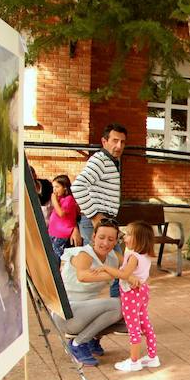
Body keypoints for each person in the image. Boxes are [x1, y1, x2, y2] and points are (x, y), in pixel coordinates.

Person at [58, 219, 137, 366]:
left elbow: (133, 265)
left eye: (111, 239)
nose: (105, 243)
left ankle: (91, 339)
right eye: (101, 237)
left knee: (132, 309)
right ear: (93, 237)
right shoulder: (84, 254)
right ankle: (78, 344)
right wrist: (118, 274)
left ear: (115, 242)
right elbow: (83, 276)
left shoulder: (114, 257)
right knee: (118, 305)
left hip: (85, 312)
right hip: (67, 312)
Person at [71, 122, 126, 296]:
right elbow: (78, 186)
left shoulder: (110, 161)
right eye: (114, 140)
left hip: (106, 223)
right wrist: (95, 216)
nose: (118, 146)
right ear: (104, 141)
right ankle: (118, 308)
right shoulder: (101, 160)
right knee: (115, 264)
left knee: (115, 264)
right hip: (97, 223)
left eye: (122, 142)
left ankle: (118, 307)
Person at [99, 221, 160, 373]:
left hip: (131, 294)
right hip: (142, 291)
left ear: (138, 239)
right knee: (145, 323)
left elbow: (125, 275)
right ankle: (153, 357)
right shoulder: (142, 254)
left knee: (133, 327)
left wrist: (107, 268)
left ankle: (134, 361)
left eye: (128, 234)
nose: (124, 237)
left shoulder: (134, 256)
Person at [47, 175, 80, 259]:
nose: (54, 190)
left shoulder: (69, 199)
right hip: (53, 232)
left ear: (65, 187)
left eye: (57, 187)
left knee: (57, 256)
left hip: (61, 234)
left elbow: (61, 213)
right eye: (53, 187)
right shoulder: (60, 199)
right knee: (51, 255)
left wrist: (54, 200)